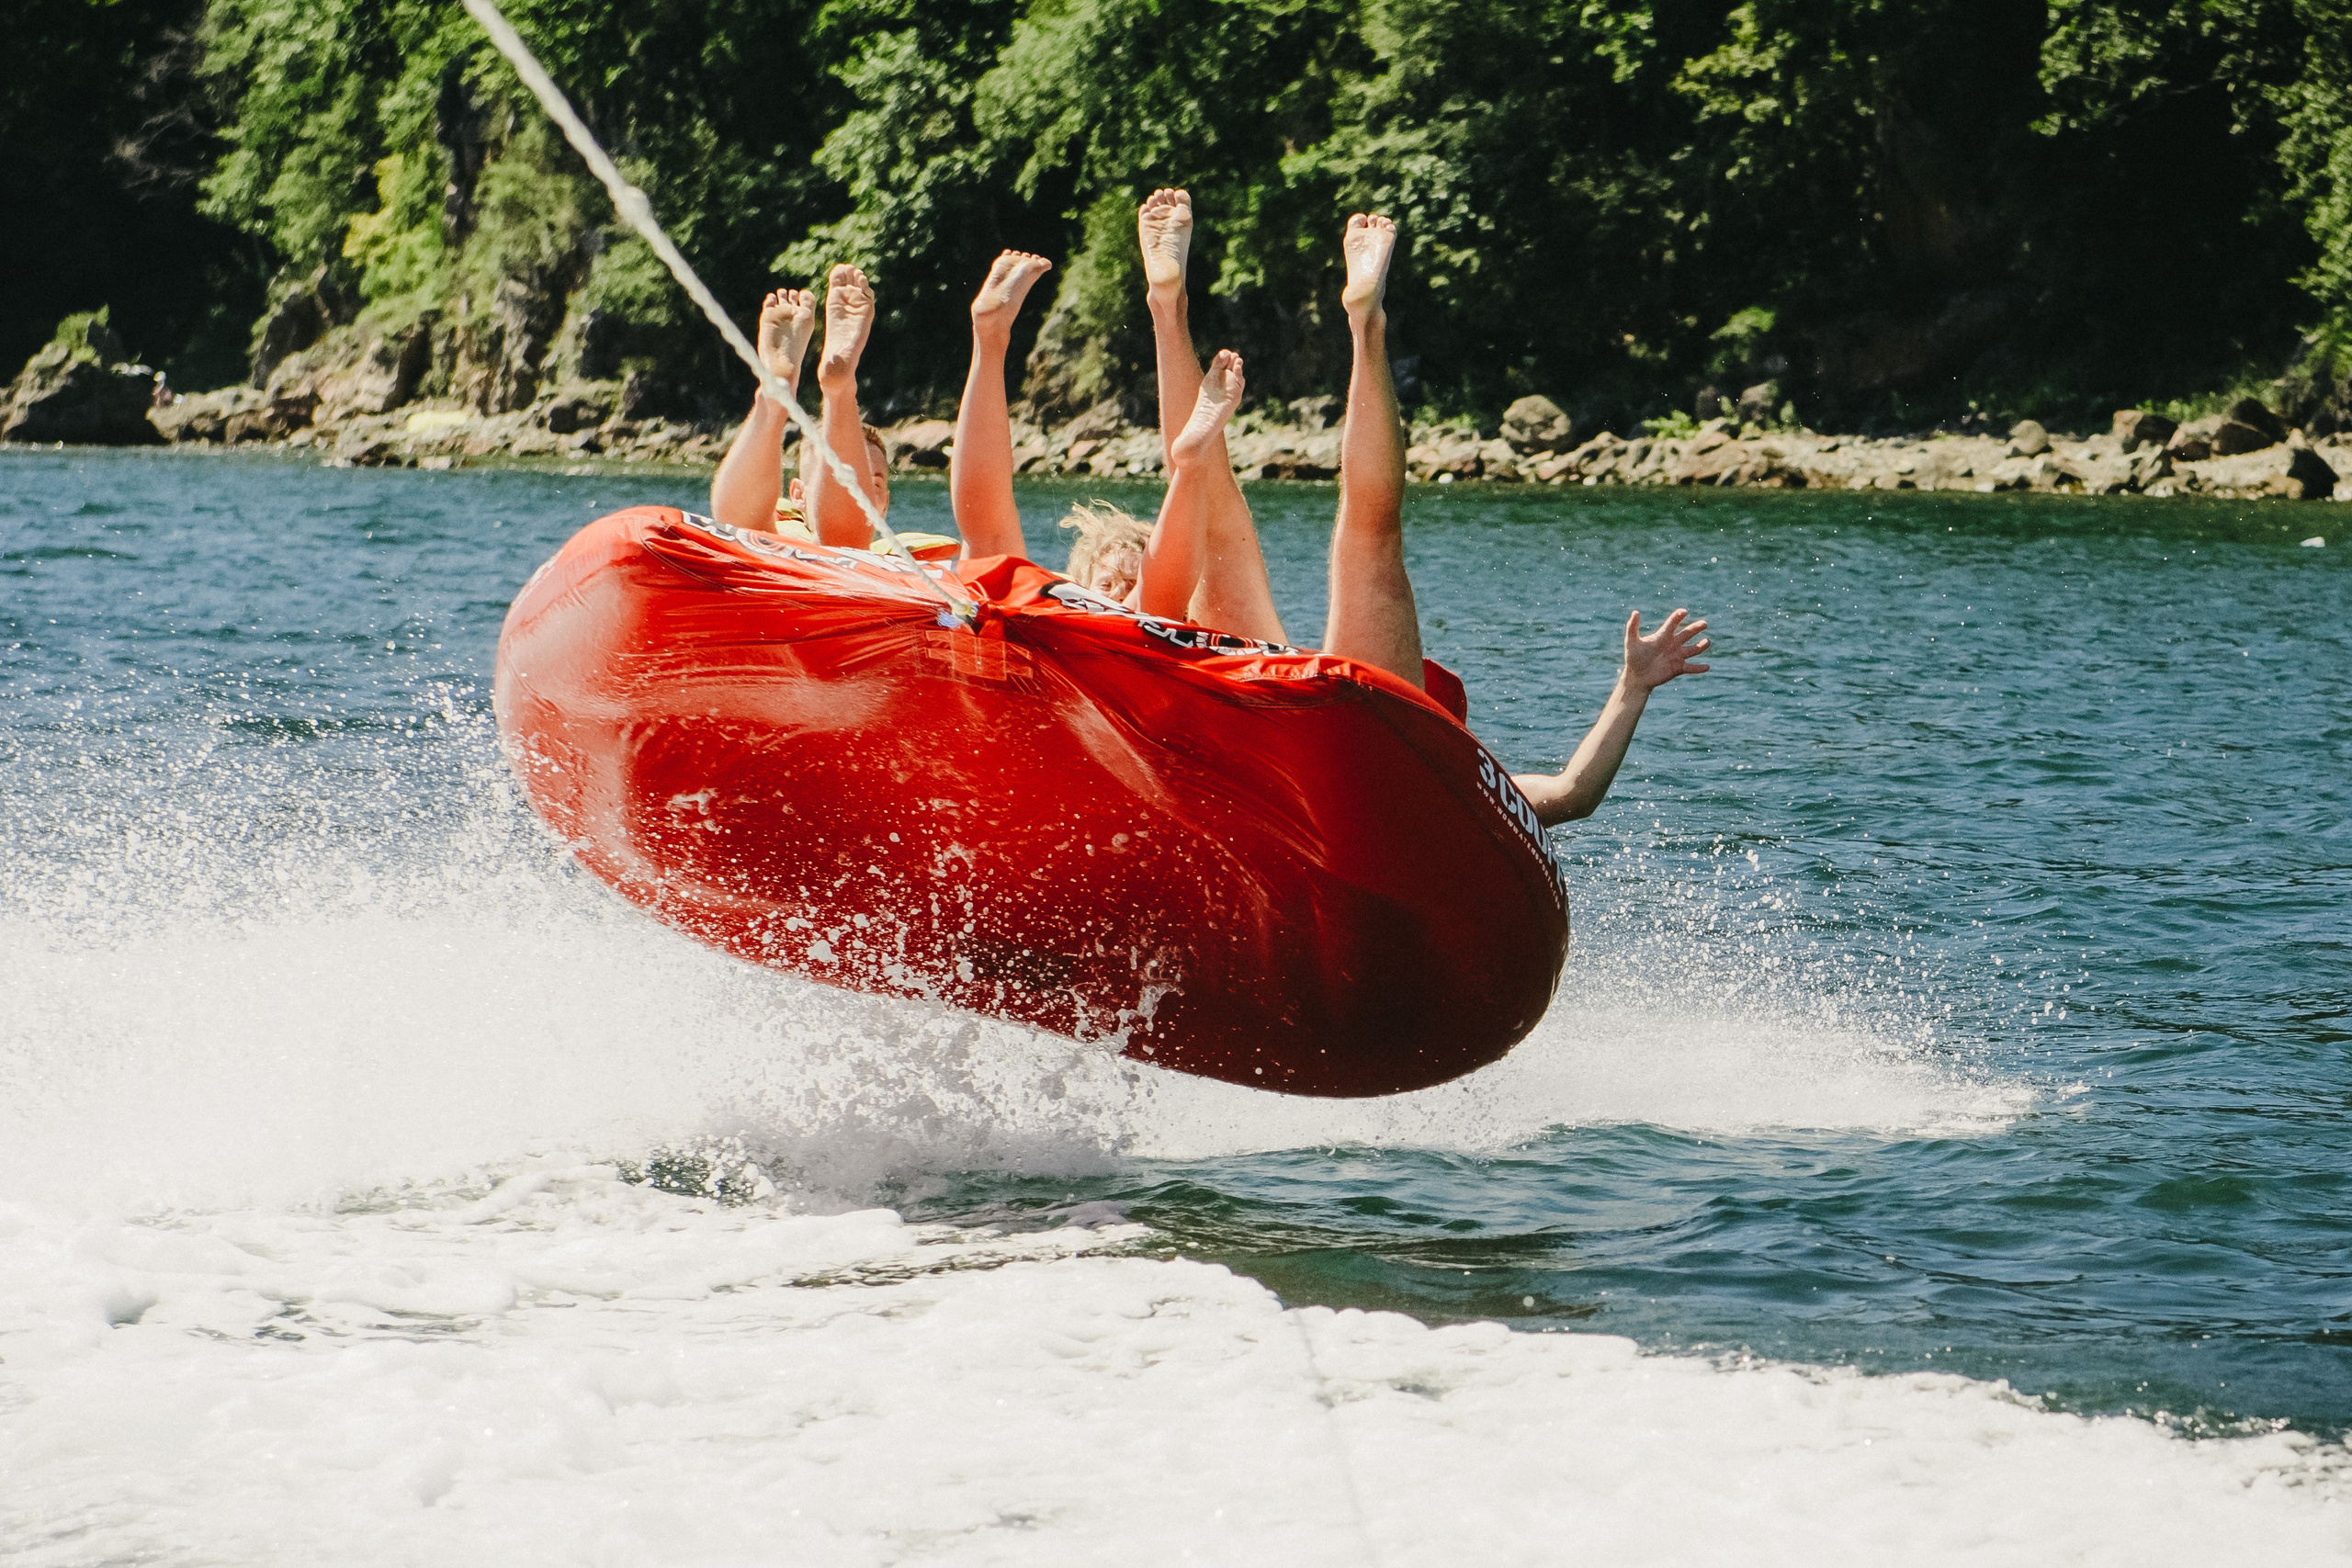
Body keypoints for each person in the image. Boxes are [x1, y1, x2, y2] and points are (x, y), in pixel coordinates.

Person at [1320, 210, 1712, 825]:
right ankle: (1364, 328)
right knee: (1371, 538)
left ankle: (1182, 317)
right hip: (1371, 767)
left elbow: (1573, 796)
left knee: (1363, 537)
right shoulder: (1466, 793)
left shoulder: (1460, 792)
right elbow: (1574, 793)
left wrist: (1636, 682)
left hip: (1355, 770)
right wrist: (1632, 686)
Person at [948, 247, 1247, 615]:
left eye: (1126, 585)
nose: (1117, 595)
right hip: (1090, 631)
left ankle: (989, 341)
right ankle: (1189, 467)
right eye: (1106, 584)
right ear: (1078, 589)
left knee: (990, 547)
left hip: (1133, 631)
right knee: (990, 556)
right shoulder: (1071, 612)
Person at [708, 269, 891, 546]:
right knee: (745, 531)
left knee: (842, 541)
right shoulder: (778, 539)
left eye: (873, 484)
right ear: (798, 495)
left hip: (848, 557)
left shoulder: (899, 565)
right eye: (827, 476)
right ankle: (782, 397)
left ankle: (829, 392)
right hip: (772, 550)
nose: (860, 485)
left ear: (884, 503)